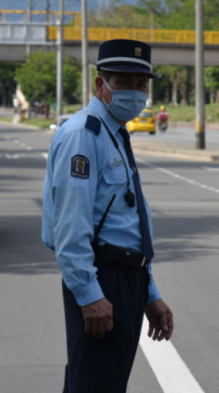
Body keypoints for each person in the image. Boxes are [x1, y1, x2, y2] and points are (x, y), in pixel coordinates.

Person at [42, 39, 174, 393]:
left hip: (126, 279)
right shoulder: (83, 136)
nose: (134, 92)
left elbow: (125, 222)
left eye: (141, 84)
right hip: (103, 280)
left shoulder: (114, 133)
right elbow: (70, 228)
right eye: (123, 82)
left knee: (104, 383)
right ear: (100, 85)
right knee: (95, 384)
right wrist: (89, 294)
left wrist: (149, 293)